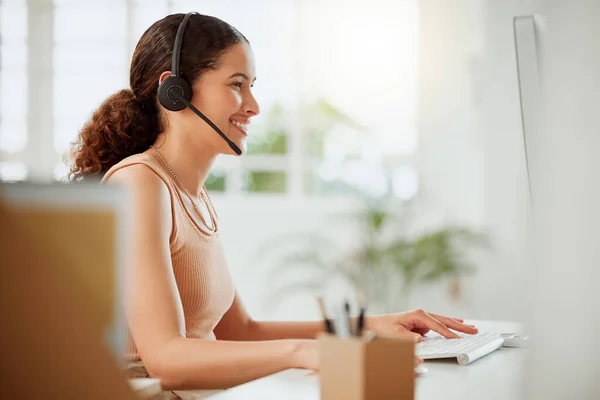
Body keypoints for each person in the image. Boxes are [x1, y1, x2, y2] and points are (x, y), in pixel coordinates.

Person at [68, 12, 478, 394]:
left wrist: (371, 326)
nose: (253, 106)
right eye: (236, 84)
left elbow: (240, 332)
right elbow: (167, 358)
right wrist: (306, 354)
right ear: (174, 90)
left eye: (252, 86)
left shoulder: (191, 194)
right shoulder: (140, 184)